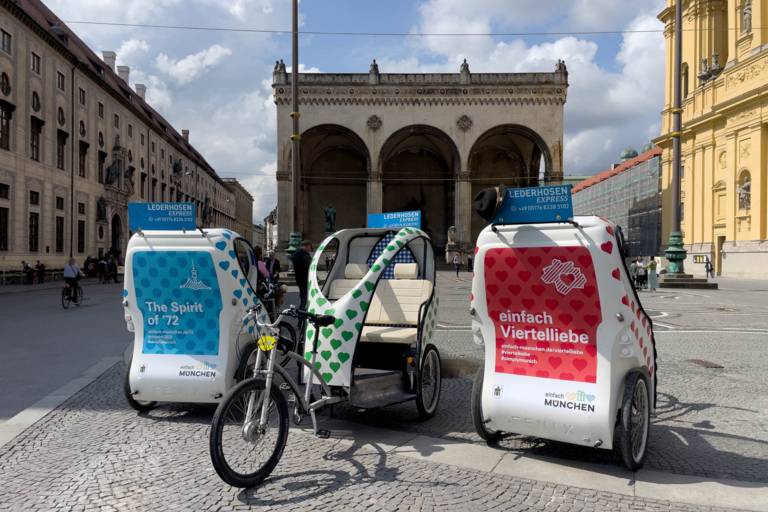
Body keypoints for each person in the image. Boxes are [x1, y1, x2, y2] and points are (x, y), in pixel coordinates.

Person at [291, 240, 313, 310]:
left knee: (302, 295)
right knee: (304, 297)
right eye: (309, 247)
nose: (310, 249)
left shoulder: (296, 254)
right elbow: (309, 266)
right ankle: (302, 311)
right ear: (306, 246)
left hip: (299, 278)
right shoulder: (304, 255)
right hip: (305, 278)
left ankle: (302, 309)